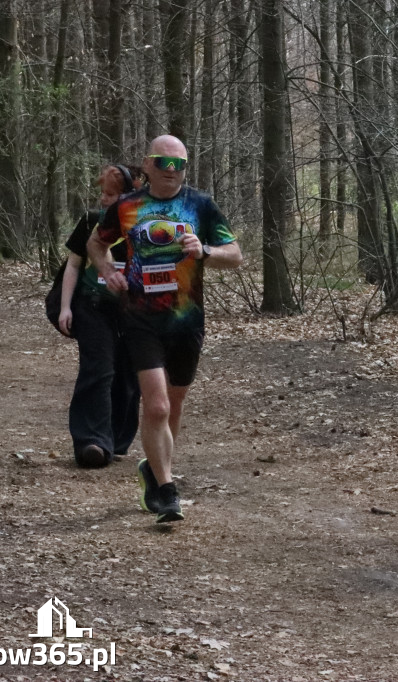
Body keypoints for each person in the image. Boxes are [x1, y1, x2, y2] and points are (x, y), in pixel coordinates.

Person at [88, 135, 243, 523]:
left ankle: (154, 471)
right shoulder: (127, 206)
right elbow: (96, 244)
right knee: (155, 405)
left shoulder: (201, 205)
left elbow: (235, 255)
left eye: (179, 164)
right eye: (163, 163)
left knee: (172, 406)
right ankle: (168, 490)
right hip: (140, 317)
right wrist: (108, 271)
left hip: (186, 319)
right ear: (147, 165)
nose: (171, 171)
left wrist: (204, 251)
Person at [59, 164, 144, 468]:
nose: (104, 200)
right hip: (92, 307)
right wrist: (65, 307)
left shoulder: (144, 226)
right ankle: (91, 442)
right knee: (99, 370)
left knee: (128, 376)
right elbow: (72, 265)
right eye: (103, 194)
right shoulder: (91, 222)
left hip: (132, 313)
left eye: (111, 194)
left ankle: (117, 439)